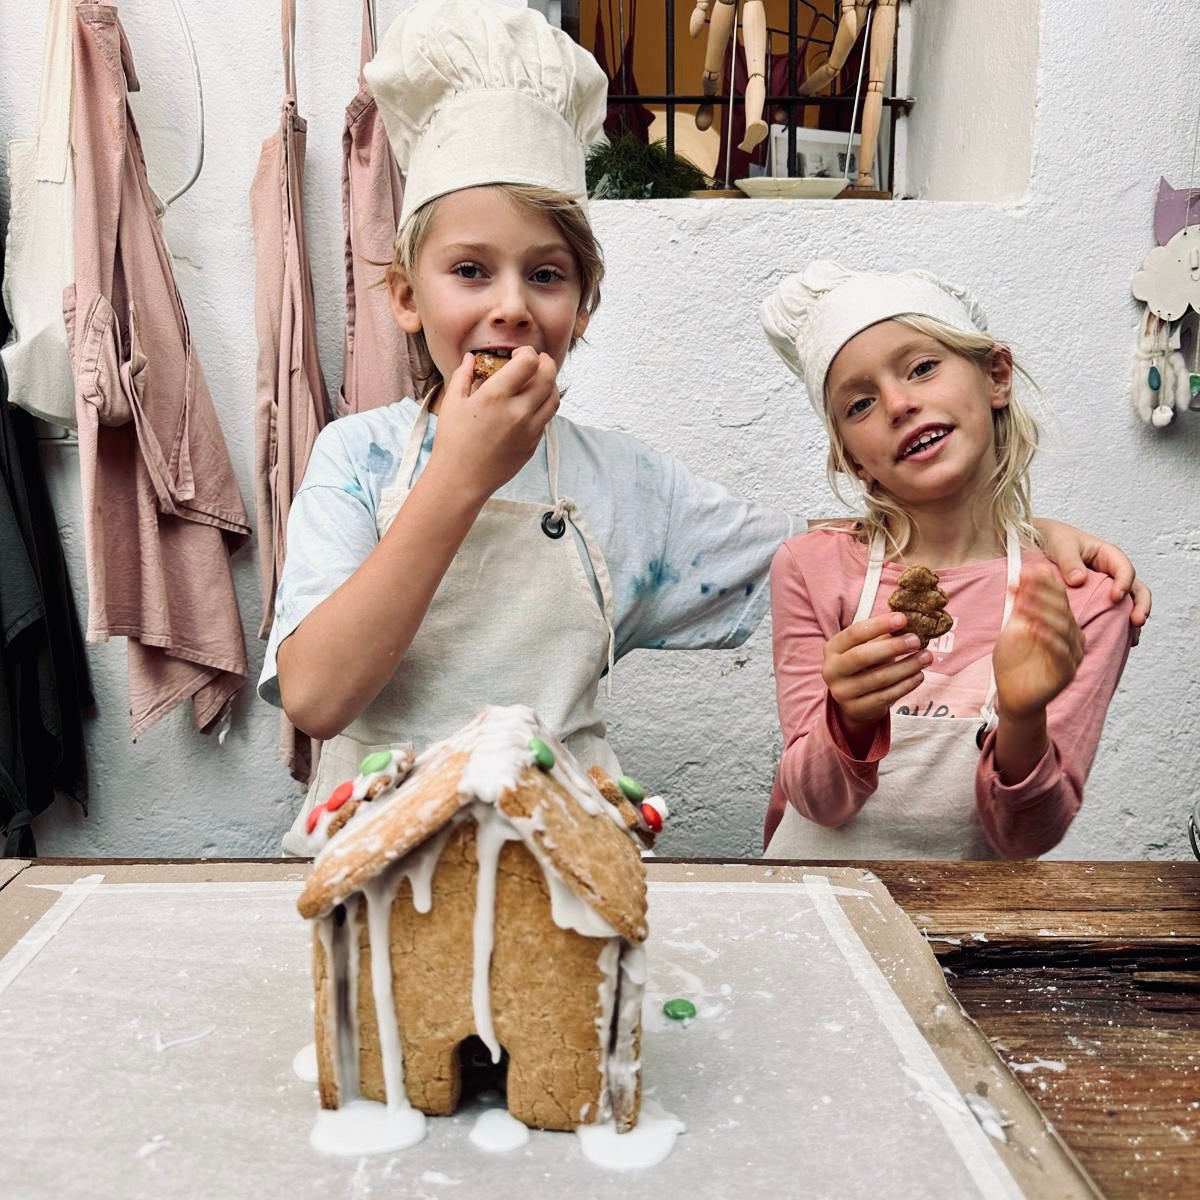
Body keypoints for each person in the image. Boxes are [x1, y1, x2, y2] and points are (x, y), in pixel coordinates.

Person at [259, 0, 1147, 856]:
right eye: (469, 271)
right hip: (375, 854)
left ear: (583, 307)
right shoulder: (358, 460)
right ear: (407, 298)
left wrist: (1019, 533)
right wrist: (459, 474)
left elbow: (833, 554)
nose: (512, 307)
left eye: (547, 275)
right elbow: (317, 696)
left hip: (564, 857)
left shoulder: (627, 487)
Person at [759, 261, 1136, 859]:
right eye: (860, 404)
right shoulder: (810, 569)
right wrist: (849, 718)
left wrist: (1023, 717)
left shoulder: (1082, 598)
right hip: (814, 895)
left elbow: (1026, 837)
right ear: (852, 461)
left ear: (996, 376)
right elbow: (816, 802)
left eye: (922, 368)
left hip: (969, 914)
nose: (898, 404)